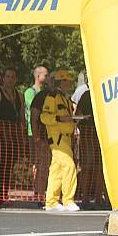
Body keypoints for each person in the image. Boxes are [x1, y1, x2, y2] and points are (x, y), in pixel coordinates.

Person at [0, 67, 25, 209]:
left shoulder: (19, 95)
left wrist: (22, 133)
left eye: (13, 77)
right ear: (3, 78)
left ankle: (4, 196)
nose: (10, 79)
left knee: (8, 167)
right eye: (8, 76)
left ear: (16, 79)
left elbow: (21, 116)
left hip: (12, 136)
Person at [40, 69, 79, 212]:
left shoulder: (66, 98)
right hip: (58, 138)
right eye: (66, 81)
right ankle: (68, 200)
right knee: (69, 166)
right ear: (60, 82)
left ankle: (51, 202)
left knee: (56, 170)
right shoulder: (53, 97)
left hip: (66, 138)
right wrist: (59, 118)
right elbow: (44, 117)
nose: (69, 84)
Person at [24, 65, 48, 137]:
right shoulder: (30, 92)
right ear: (38, 76)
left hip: (45, 130)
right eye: (45, 75)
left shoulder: (46, 92)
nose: (48, 78)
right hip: (33, 132)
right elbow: (34, 109)